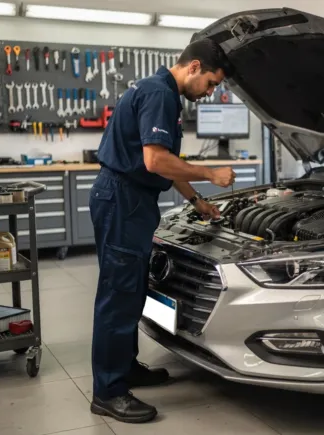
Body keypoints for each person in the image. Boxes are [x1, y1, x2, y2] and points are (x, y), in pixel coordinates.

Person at [88, 39, 235, 424]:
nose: (210, 93)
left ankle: (125, 368)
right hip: (123, 199)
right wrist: (210, 173)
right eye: (211, 83)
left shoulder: (157, 90)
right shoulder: (160, 95)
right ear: (194, 67)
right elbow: (155, 161)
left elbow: (166, 162)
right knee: (118, 295)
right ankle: (108, 391)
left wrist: (197, 201)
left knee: (133, 288)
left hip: (129, 200)